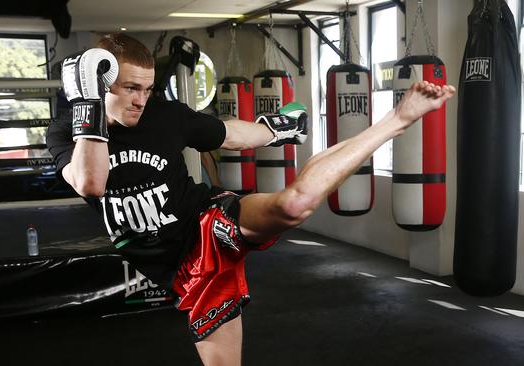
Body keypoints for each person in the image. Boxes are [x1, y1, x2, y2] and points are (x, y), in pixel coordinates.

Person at [46, 33, 455, 366]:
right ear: (99, 85)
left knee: (293, 205)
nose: (140, 100)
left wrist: (277, 128)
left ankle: (395, 121)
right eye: (130, 88)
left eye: (148, 89)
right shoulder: (68, 132)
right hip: (183, 272)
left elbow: (230, 133)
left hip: (204, 221)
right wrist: (87, 104)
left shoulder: (164, 115)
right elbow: (90, 183)